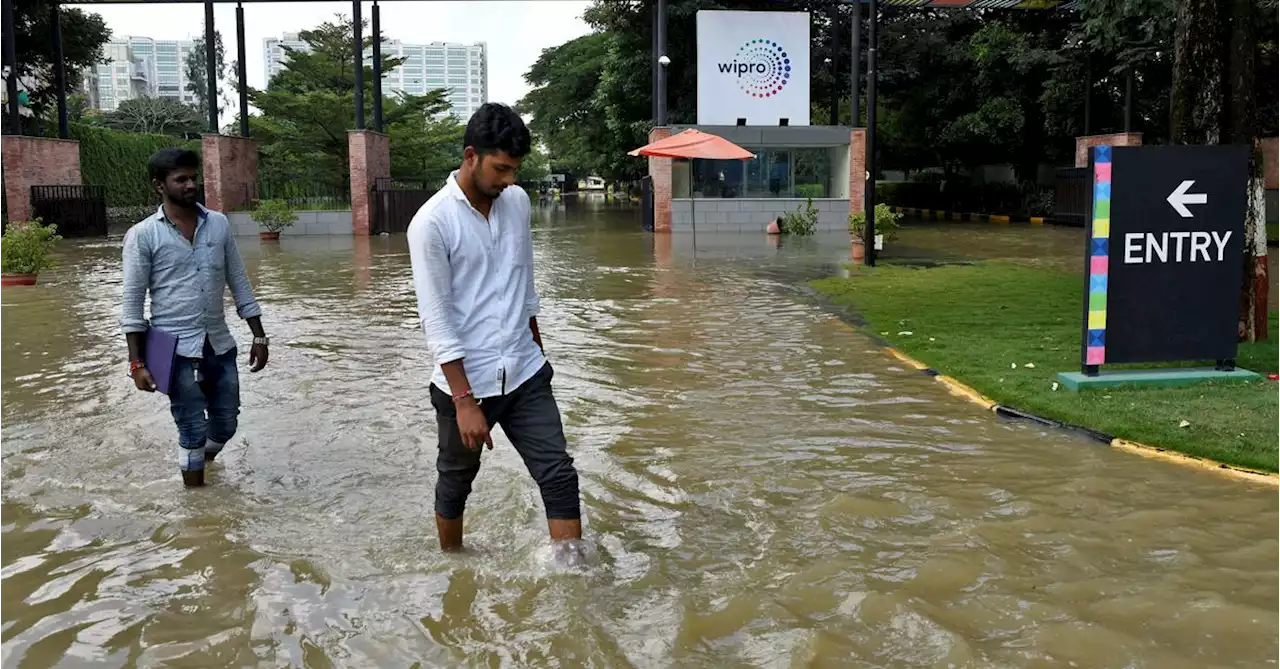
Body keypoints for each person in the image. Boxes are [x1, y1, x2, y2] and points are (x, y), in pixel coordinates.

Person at [407, 103, 583, 560]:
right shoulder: (431, 223)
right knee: (456, 480)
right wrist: (464, 401)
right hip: (467, 383)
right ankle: (453, 565)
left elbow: (523, 284)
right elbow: (437, 317)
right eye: (501, 168)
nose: (509, 180)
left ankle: (572, 575)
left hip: (525, 371)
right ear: (471, 156)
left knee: (559, 473)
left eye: (515, 169)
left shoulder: (518, 203)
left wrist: (539, 353)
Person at [119, 147, 270, 488]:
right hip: (172, 349)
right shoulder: (143, 235)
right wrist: (136, 364)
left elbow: (240, 282)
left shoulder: (217, 224)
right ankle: (198, 506)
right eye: (181, 179)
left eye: (193, 177)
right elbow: (132, 304)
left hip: (218, 343)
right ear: (160, 186)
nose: (191, 185)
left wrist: (259, 336)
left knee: (227, 422)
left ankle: (201, 462)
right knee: (190, 425)